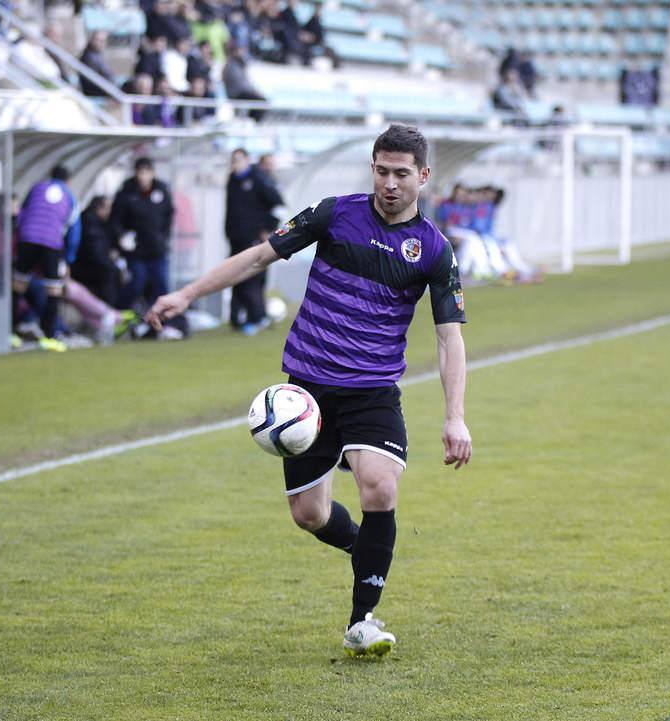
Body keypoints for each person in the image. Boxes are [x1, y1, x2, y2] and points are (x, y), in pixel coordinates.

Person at [146, 124, 472, 656]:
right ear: (372, 168)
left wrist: (454, 416)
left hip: (371, 389)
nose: (390, 184)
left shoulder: (433, 249)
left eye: (401, 174)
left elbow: (448, 337)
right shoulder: (333, 214)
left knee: (379, 486)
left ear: (424, 176)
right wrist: (187, 294)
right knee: (309, 515)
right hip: (307, 393)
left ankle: (362, 621)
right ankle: (365, 550)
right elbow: (258, 257)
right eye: (382, 171)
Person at [13, 166, 81, 347]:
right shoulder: (69, 196)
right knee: (54, 289)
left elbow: (22, 214)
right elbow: (74, 231)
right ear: (69, 180)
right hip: (51, 243)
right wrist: (68, 259)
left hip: (27, 239)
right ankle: (49, 336)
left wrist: (20, 242)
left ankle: (9, 332)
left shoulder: (36, 188)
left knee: (18, 284)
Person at [224, 147, 283, 334]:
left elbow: (278, 206)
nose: (236, 164)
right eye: (233, 160)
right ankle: (236, 318)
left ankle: (257, 317)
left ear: (247, 160)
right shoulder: (232, 180)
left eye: (239, 159)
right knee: (234, 276)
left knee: (251, 277)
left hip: (253, 238)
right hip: (236, 238)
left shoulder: (259, 179)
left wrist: (268, 229)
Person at [110, 157, 175, 310]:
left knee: (161, 285)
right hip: (136, 251)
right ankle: (119, 313)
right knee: (136, 283)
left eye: (147, 172)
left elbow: (169, 215)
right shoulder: (126, 193)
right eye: (140, 172)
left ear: (152, 173)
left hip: (157, 249)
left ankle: (160, 318)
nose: (143, 176)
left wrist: (163, 237)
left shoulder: (162, 190)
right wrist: (122, 237)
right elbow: (115, 220)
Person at [72, 195, 121, 307]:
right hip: (82, 267)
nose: (110, 212)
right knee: (111, 272)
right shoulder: (90, 223)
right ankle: (108, 310)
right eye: (108, 208)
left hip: (87, 264)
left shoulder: (96, 222)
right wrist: (112, 264)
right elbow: (95, 254)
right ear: (99, 208)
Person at [79, 31, 116, 96]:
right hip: (97, 92)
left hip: (107, 89)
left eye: (103, 41)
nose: (100, 43)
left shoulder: (98, 55)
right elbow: (91, 81)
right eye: (98, 40)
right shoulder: (88, 57)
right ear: (92, 40)